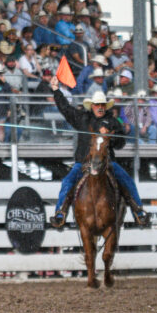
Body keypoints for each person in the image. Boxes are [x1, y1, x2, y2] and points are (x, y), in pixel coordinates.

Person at [48, 79, 150, 228]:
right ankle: (60, 214)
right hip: (83, 162)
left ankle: (139, 212)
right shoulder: (83, 118)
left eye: (103, 105)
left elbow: (121, 143)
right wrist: (56, 90)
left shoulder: (113, 122)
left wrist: (111, 136)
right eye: (98, 105)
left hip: (108, 162)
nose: (100, 107)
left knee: (127, 181)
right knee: (67, 182)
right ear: (92, 106)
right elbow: (65, 109)